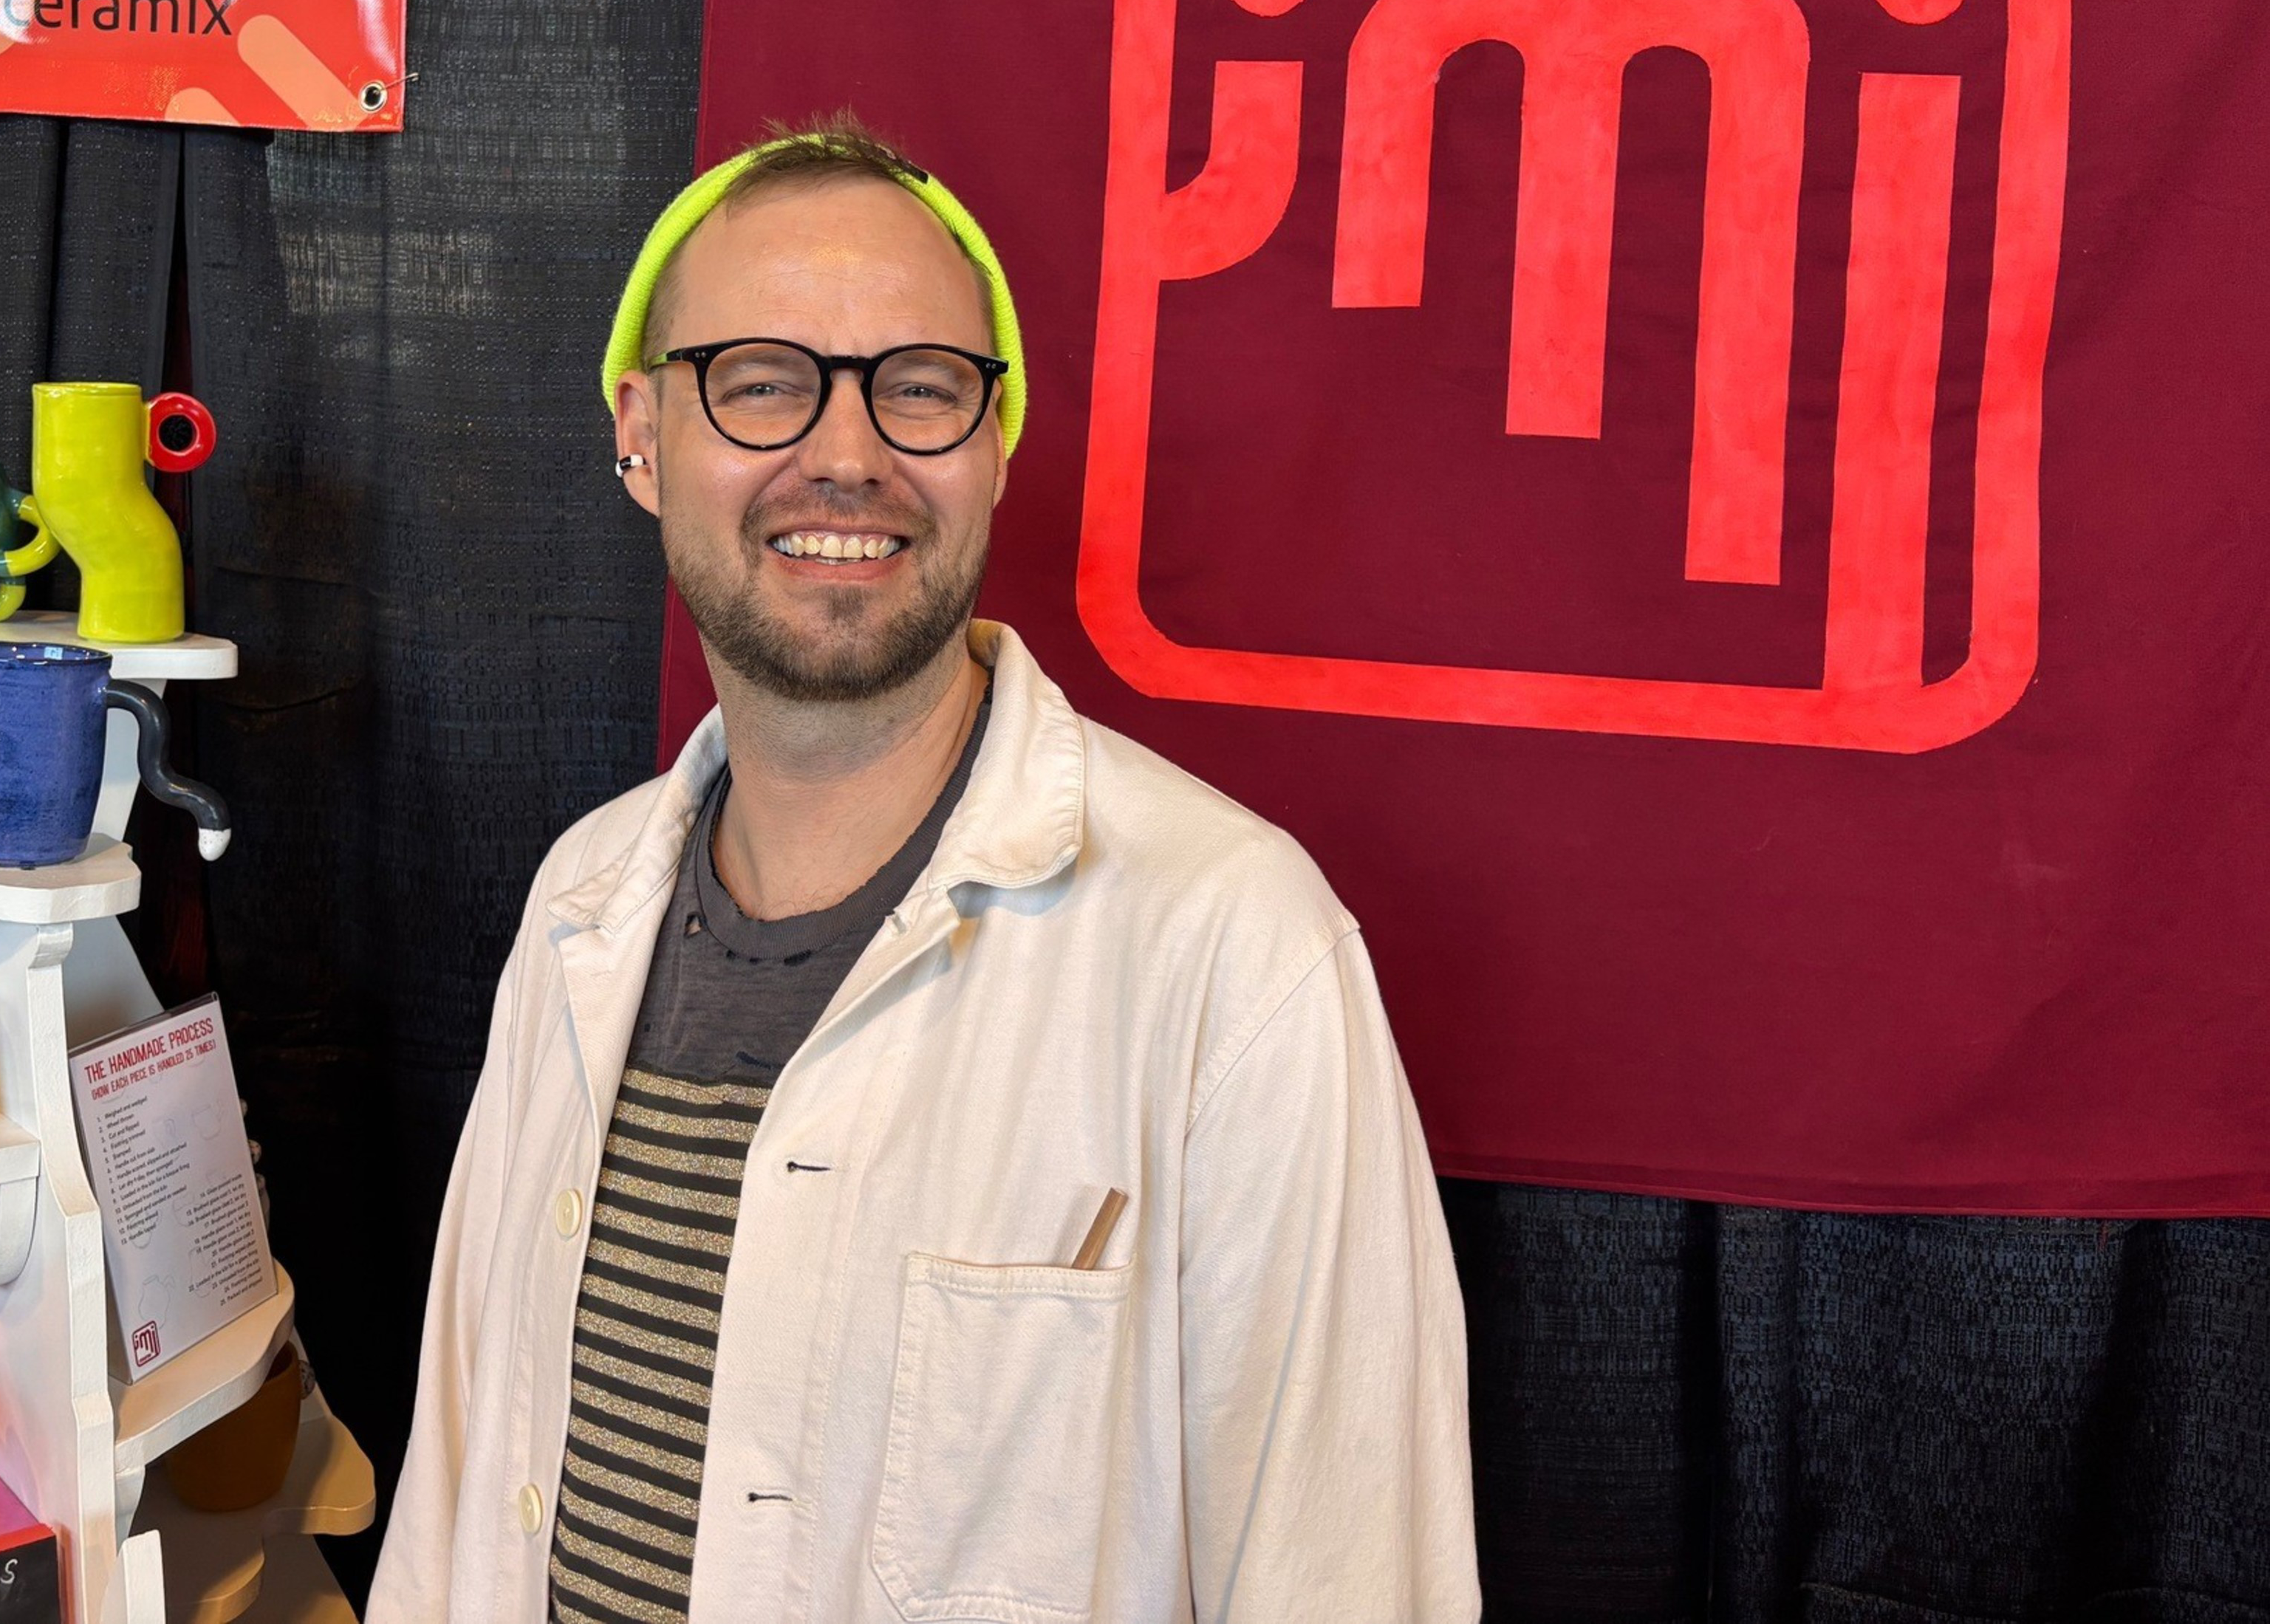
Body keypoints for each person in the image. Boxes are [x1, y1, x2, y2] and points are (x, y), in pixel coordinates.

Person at [369, 121, 1477, 1623]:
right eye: (760, 382)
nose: (846, 454)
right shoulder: (581, 900)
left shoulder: (1231, 947)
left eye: (919, 388)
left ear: (996, 439)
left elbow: (1351, 1577)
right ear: (640, 434)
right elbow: (456, 1498)